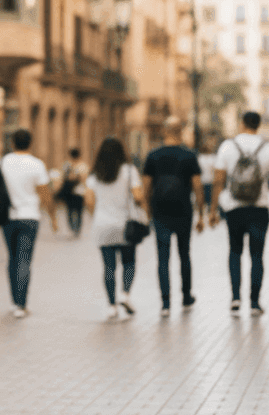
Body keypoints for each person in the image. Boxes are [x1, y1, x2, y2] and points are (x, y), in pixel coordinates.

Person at [209, 111, 269, 316]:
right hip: (259, 208)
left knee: (235, 252)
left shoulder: (228, 146)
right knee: (257, 256)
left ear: (242, 124)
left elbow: (218, 180)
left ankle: (235, 298)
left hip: (234, 208)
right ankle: (255, 303)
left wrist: (213, 210)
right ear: (258, 125)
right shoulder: (268, 148)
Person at [0, 128, 58, 317]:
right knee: (24, 259)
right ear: (30, 143)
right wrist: (53, 217)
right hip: (30, 217)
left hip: (7, 216)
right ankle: (21, 305)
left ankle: (14, 301)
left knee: (12, 258)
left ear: (12, 143)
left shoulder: (0, 163)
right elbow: (45, 193)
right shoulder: (36, 164)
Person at [142, 117, 204, 317]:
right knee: (184, 254)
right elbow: (197, 186)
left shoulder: (153, 155)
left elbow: (145, 188)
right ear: (181, 131)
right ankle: (186, 296)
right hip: (183, 210)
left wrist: (146, 211)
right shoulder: (189, 155)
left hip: (160, 211)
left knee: (163, 258)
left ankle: (165, 303)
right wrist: (201, 214)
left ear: (164, 131)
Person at [84, 136, 146, 320]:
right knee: (129, 262)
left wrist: (98, 214)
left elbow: (89, 200)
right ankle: (125, 295)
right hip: (125, 225)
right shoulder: (129, 171)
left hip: (102, 225)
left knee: (109, 267)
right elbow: (138, 197)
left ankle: (111, 306)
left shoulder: (95, 174)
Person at [60, 148, 88, 236]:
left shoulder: (67, 165)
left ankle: (73, 227)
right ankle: (77, 229)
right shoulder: (82, 166)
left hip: (71, 192)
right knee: (78, 211)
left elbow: (62, 178)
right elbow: (85, 179)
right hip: (79, 192)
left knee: (70, 210)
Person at [198, 142, 217, 210]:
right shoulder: (213, 158)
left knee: (203, 199)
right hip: (211, 180)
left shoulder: (199, 158)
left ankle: (202, 210)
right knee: (210, 199)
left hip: (202, 181)